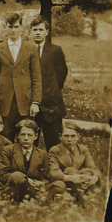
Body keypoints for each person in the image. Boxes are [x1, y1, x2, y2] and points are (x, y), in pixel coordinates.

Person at [0, 13, 43, 139]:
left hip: (25, 102)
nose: (13, 30)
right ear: (6, 28)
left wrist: (35, 102)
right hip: (5, 102)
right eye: (10, 27)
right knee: (5, 138)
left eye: (16, 27)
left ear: (21, 28)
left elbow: (36, 77)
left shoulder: (31, 48)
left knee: (25, 137)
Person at [30, 16, 69, 149]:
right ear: (30, 31)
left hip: (52, 105)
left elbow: (61, 74)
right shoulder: (26, 50)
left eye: (41, 30)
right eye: (35, 30)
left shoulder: (55, 50)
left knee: (53, 144)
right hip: (31, 105)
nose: (38, 33)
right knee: (29, 141)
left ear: (46, 32)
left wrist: (52, 91)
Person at [0, 117, 52, 202]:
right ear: (18, 136)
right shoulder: (8, 150)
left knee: (59, 185)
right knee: (16, 175)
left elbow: (46, 177)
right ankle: (37, 198)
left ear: (36, 136)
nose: (26, 138)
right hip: (15, 187)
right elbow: (3, 175)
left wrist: (41, 183)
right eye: (23, 134)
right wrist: (24, 180)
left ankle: (33, 196)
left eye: (29, 135)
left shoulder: (42, 154)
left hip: (36, 187)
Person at [47, 123, 101, 204]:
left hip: (81, 180)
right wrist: (71, 178)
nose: (69, 139)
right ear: (60, 137)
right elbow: (53, 172)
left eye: (73, 136)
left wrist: (94, 178)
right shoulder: (55, 151)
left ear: (78, 137)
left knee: (87, 171)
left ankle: (82, 196)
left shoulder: (83, 150)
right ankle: (81, 197)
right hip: (65, 181)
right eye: (66, 136)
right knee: (70, 170)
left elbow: (93, 168)